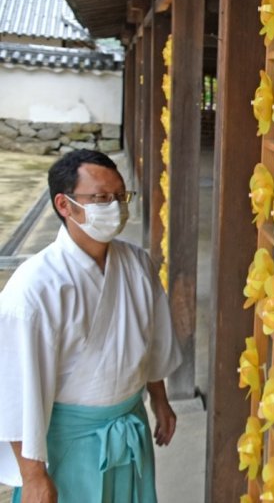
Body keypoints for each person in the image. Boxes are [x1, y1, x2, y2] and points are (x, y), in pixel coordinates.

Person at [0, 150, 182, 502]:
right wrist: (33, 476)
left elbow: (152, 338)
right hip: (69, 444)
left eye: (120, 196)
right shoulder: (34, 287)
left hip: (130, 425)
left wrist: (159, 399)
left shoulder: (138, 264)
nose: (114, 206)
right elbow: (16, 388)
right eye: (101, 198)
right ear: (64, 205)